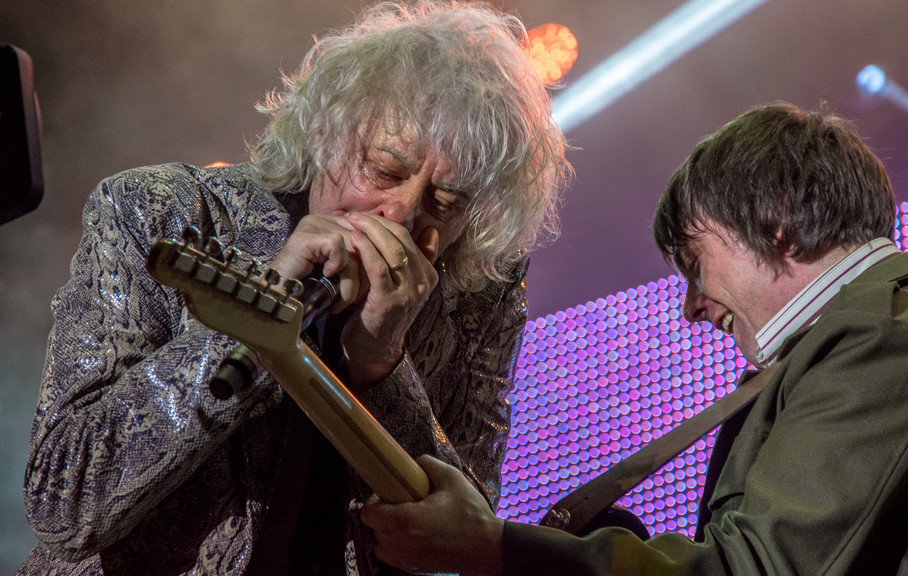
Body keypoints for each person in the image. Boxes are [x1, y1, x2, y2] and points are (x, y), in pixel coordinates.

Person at [18, 1, 568, 574]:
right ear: (326, 135)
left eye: (445, 203)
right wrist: (254, 317)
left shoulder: (479, 297)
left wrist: (382, 363)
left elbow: (457, 540)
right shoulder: (162, 212)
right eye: (384, 170)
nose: (402, 216)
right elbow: (62, 502)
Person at [360, 101, 908, 575]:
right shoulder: (897, 332)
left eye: (695, 262)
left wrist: (497, 548)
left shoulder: (884, 339)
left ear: (775, 223)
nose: (691, 307)